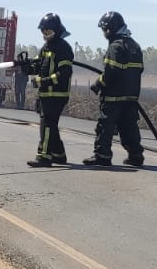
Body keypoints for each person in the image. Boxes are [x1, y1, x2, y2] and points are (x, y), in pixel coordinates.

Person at [84, 11, 145, 167]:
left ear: (110, 29)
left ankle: (102, 156)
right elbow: (138, 70)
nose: (104, 33)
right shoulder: (134, 46)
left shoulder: (115, 46)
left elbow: (112, 71)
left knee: (105, 126)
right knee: (129, 127)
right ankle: (136, 155)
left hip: (113, 97)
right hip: (131, 97)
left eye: (104, 29)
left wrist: (98, 84)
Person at [23, 13, 74, 167]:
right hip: (46, 94)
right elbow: (39, 66)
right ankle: (59, 154)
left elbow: (64, 73)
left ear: (57, 31)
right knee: (50, 125)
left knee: (47, 124)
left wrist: (43, 81)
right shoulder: (46, 47)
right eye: (43, 33)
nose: (45, 36)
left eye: (48, 32)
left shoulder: (63, 48)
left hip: (57, 94)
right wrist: (26, 67)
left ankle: (44, 156)